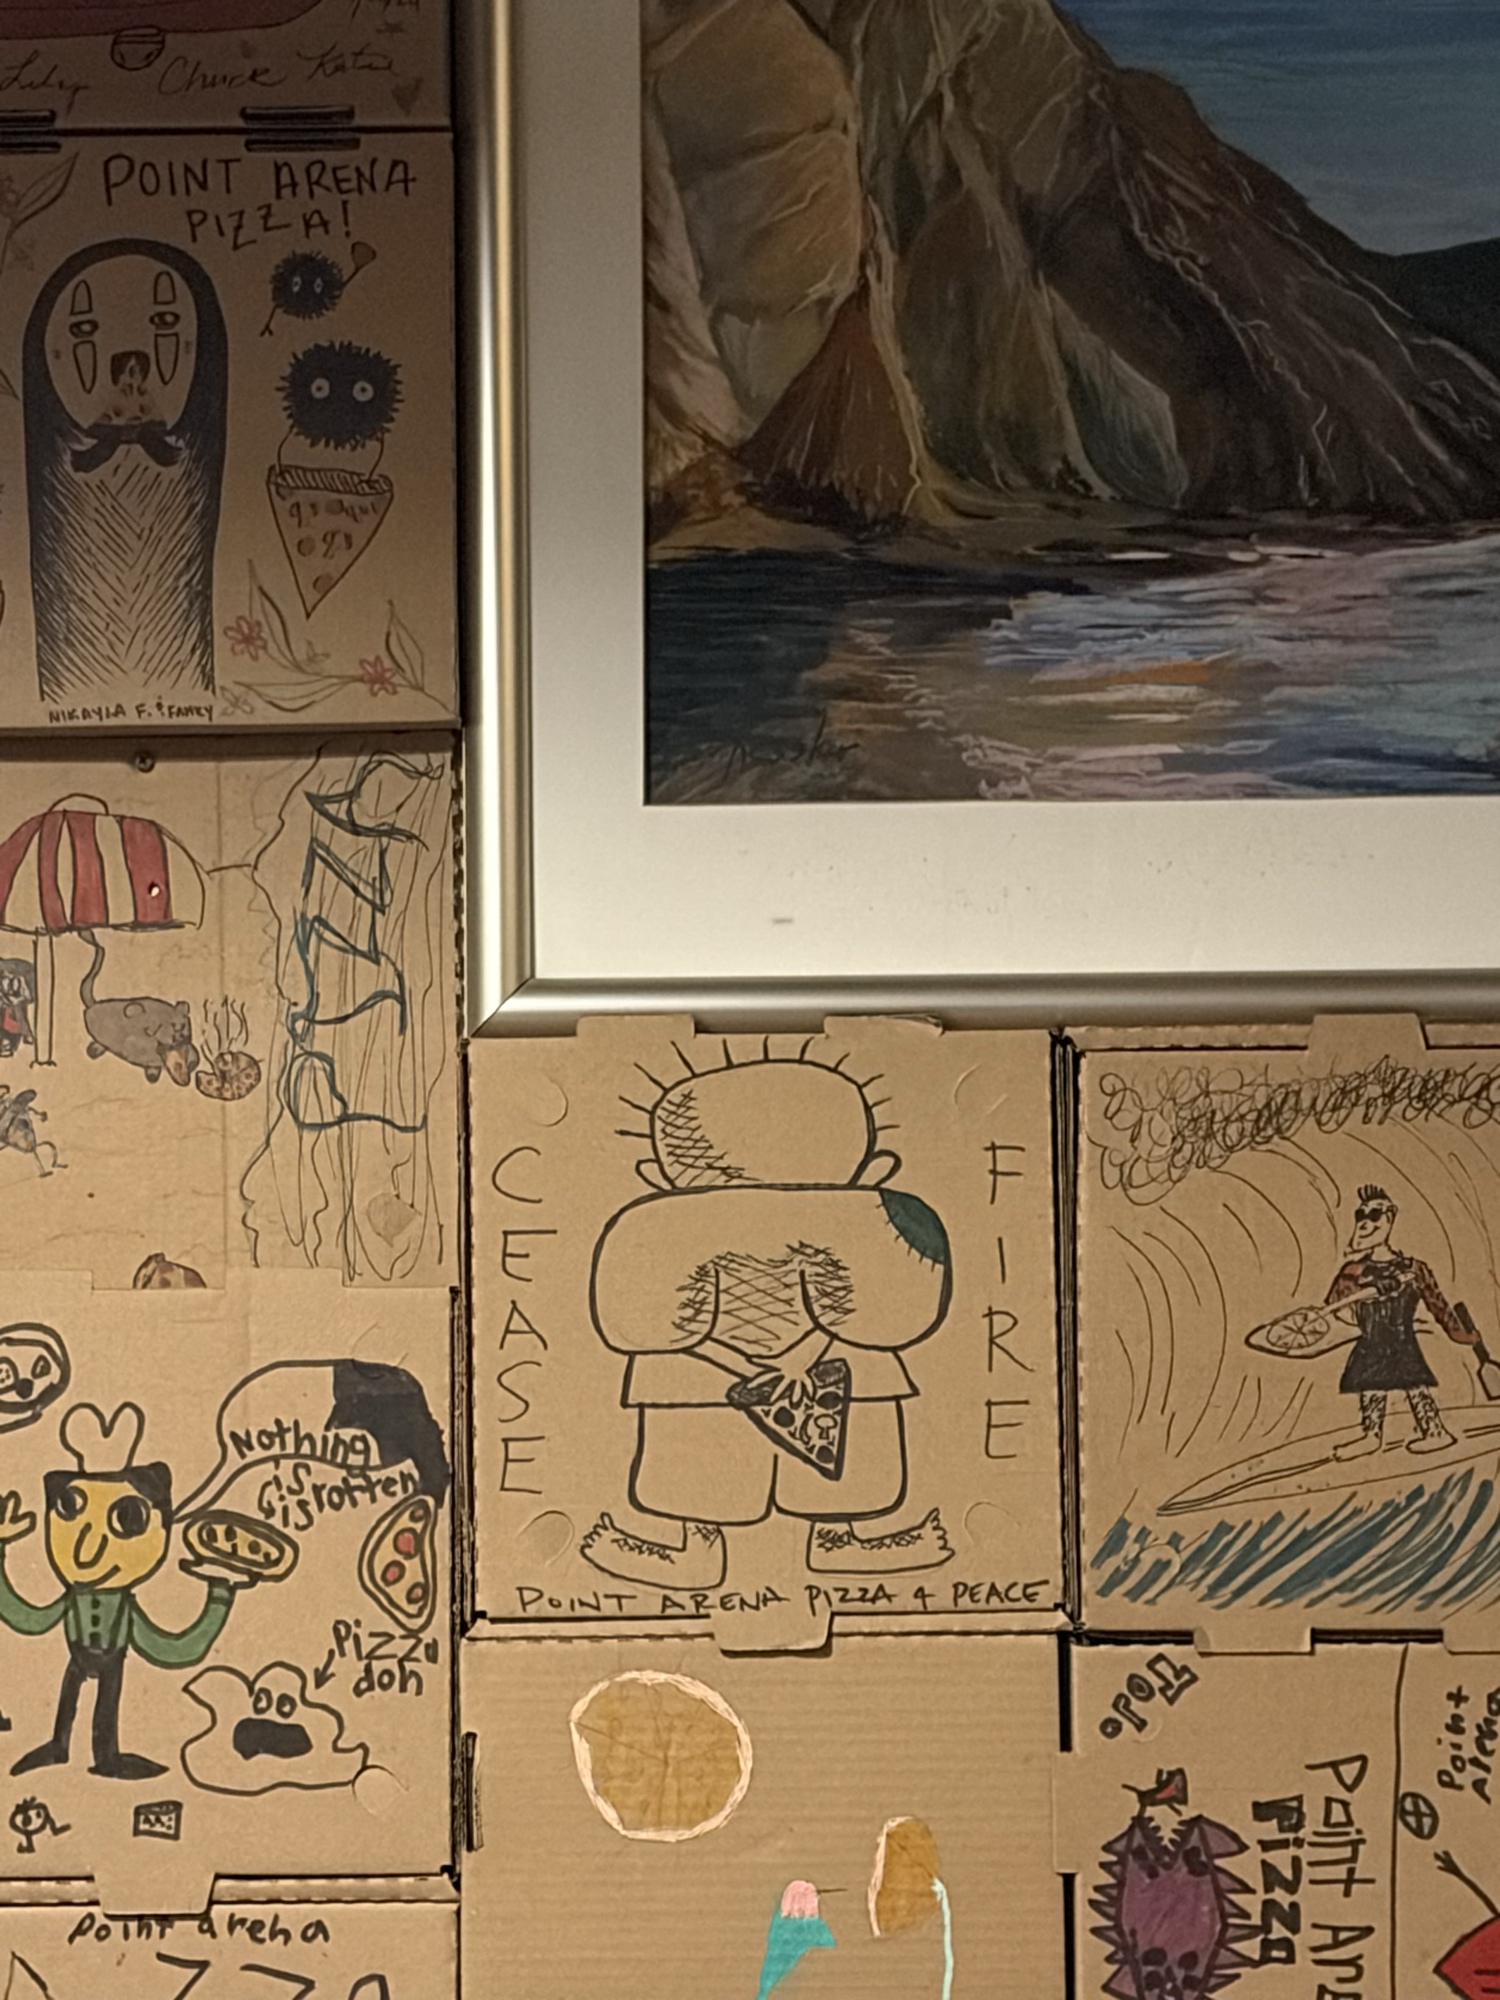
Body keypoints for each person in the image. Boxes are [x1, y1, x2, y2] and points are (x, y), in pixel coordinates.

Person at [0, 1403, 246, 1780]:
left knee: (106, 1703)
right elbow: (27, 1618)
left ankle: (107, 1756)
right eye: (69, 1508)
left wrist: (220, 1593)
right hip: (79, 1654)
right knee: (71, 1693)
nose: (89, 1545)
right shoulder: (74, 1600)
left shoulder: (123, 1608)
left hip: (112, 1656)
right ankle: (59, 1745)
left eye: (127, 1519)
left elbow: (176, 1648)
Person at [1325, 1185, 1479, 1460]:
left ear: (1389, 1218)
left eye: (1374, 1215)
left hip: (1400, 1340)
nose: (1366, 1222)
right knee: (1370, 1383)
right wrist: (1365, 1290)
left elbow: (1439, 1307)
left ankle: (1435, 1431)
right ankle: (1371, 1435)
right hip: (1370, 1341)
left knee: (1413, 1382)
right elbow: (1336, 1311)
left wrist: (1463, 1335)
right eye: (1361, 1215)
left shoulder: (1413, 1270)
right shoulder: (1354, 1271)